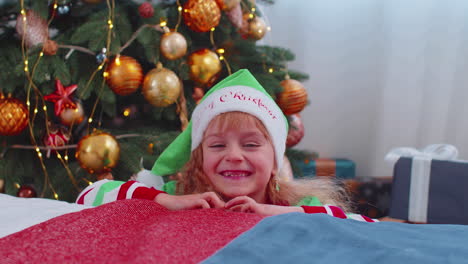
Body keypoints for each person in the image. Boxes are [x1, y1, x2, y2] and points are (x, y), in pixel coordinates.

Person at [76, 69, 376, 222]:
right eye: (218, 146)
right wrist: (163, 201)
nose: (234, 156)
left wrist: (272, 213)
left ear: (275, 160)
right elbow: (87, 197)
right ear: (199, 157)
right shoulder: (181, 197)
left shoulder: (295, 206)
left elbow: (357, 223)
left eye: (250, 144)